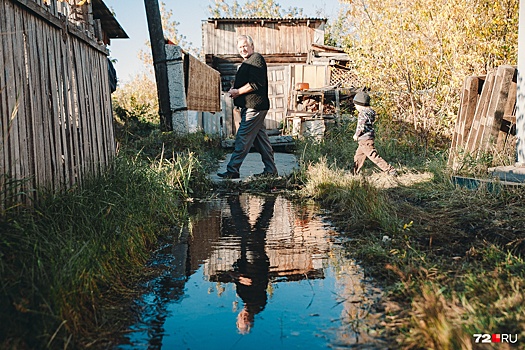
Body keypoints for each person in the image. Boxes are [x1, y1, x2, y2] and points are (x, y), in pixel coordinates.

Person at [217, 35, 278, 179]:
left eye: (245, 46)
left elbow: (256, 84)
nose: (242, 49)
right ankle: (271, 170)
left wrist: (238, 92)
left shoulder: (256, 58)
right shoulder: (247, 62)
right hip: (251, 106)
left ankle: (233, 170)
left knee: (242, 137)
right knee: (260, 140)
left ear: (252, 46)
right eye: (240, 47)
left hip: (255, 106)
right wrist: (235, 90)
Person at [352, 91, 397, 176]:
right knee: (358, 156)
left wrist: (356, 135)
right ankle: (354, 172)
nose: (355, 107)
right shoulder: (370, 112)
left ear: (360, 104)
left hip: (364, 139)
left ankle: (390, 170)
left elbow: (361, 126)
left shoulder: (362, 114)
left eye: (356, 105)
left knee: (373, 156)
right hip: (368, 138)